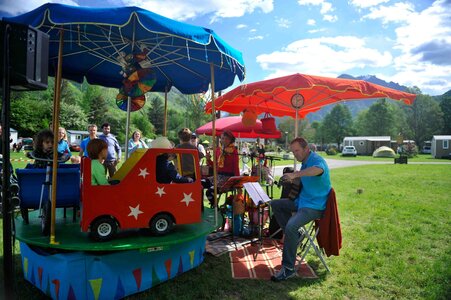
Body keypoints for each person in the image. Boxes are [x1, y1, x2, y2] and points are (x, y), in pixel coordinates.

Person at [270, 137, 331, 282]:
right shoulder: (304, 163)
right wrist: (291, 180)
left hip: (314, 206)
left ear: (306, 149)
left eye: (297, 150)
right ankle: (296, 236)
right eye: (293, 151)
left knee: (291, 225)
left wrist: (295, 174)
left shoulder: (317, 160)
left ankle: (288, 268)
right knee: (275, 204)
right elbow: (305, 180)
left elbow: (318, 170)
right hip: (302, 202)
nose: (295, 154)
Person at [204, 130, 240, 207]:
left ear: (231, 140)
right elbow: (215, 165)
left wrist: (238, 183)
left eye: (226, 138)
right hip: (217, 177)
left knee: (209, 192)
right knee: (200, 184)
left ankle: (216, 208)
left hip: (228, 179)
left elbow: (236, 167)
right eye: (222, 138)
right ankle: (201, 207)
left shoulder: (234, 151)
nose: (224, 140)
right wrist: (208, 159)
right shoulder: (218, 150)